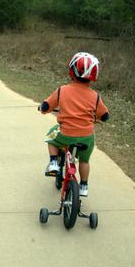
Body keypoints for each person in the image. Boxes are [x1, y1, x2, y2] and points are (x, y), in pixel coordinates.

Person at [39, 52, 110, 197]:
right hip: (86, 138)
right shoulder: (95, 96)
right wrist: (97, 118)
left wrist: (43, 108)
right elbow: (105, 116)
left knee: (50, 138)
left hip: (66, 134)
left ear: (72, 71)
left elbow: (46, 106)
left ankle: (53, 163)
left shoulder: (62, 91)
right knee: (84, 160)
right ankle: (84, 186)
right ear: (94, 75)